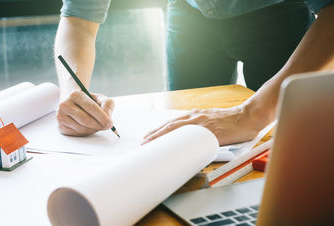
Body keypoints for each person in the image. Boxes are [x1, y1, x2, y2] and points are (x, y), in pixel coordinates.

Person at [54, 0, 334, 145]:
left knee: (285, 139)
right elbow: (78, 18)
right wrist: (73, 91)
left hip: (280, 11)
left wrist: (251, 114)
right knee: (183, 138)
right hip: (190, 14)